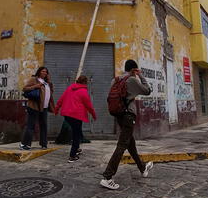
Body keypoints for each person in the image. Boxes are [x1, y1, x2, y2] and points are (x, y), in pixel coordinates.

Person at [100, 59, 154, 190]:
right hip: (128, 115)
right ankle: (108, 177)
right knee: (122, 145)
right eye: (136, 71)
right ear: (133, 70)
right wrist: (140, 75)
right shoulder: (132, 79)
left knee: (130, 143)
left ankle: (142, 167)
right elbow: (148, 90)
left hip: (118, 114)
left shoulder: (116, 80)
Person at [54, 75, 97, 163]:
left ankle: (76, 148)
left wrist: (57, 108)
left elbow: (61, 99)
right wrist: (93, 114)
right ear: (85, 82)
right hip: (77, 115)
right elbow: (89, 105)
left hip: (67, 114)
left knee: (76, 132)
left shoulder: (70, 88)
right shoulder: (83, 91)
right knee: (76, 134)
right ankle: (72, 156)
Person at [20, 66, 55, 150]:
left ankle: (44, 144)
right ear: (39, 72)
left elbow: (50, 94)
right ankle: (25, 144)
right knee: (31, 125)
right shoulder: (34, 79)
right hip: (34, 107)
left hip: (44, 107)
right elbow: (25, 88)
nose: (45, 73)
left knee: (44, 125)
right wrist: (36, 86)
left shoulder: (47, 83)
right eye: (43, 71)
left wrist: (49, 83)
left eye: (46, 72)